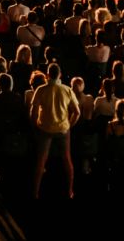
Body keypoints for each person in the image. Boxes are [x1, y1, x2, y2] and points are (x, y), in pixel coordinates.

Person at [28, 62, 79, 200]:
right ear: (60, 74)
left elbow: (32, 112)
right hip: (62, 128)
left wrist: (36, 126)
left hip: (45, 128)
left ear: (47, 75)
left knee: (41, 160)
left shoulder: (41, 90)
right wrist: (69, 125)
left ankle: (35, 192)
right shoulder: (67, 90)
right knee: (67, 159)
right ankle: (69, 190)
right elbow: (77, 112)